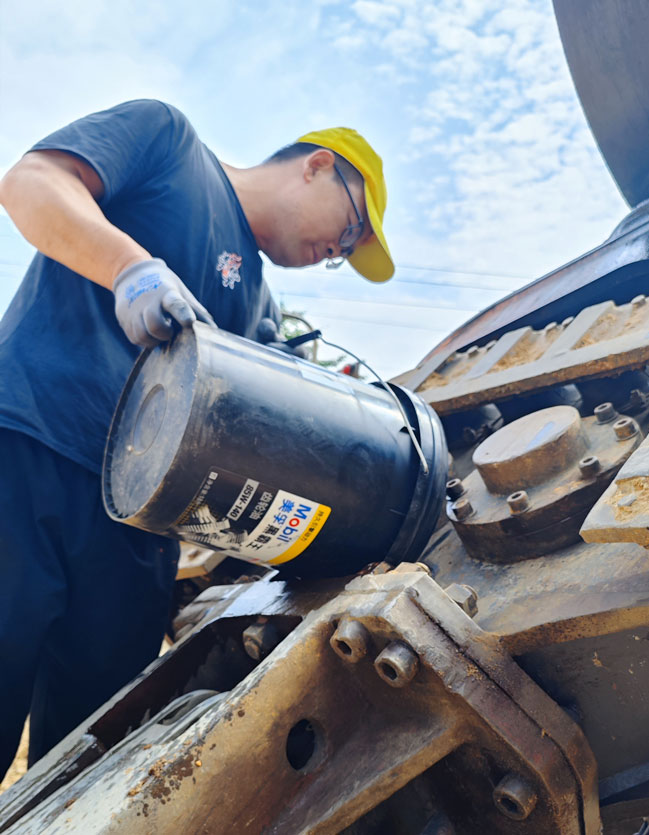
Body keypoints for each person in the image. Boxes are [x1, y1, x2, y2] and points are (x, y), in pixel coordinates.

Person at [0, 99, 394, 779]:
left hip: (136, 527)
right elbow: (31, 182)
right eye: (351, 228)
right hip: (30, 449)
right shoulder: (167, 142)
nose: (338, 251)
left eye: (347, 253)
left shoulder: (258, 307)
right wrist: (130, 268)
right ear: (319, 166)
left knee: (80, 761)